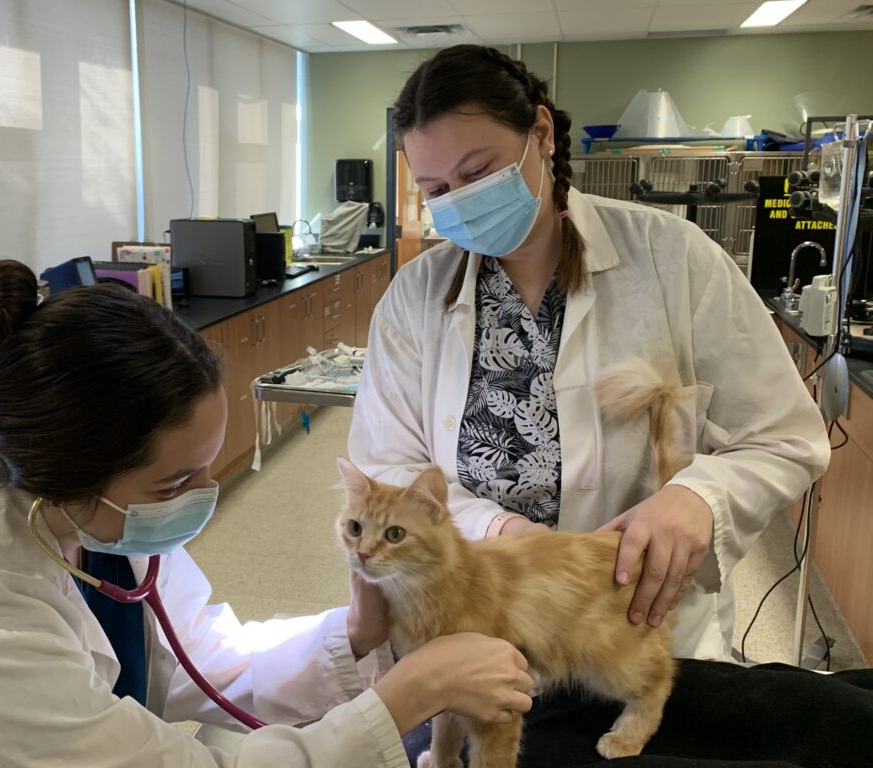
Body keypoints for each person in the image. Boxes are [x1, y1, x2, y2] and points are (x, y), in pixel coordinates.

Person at [0, 259, 534, 767]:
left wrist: (355, 633)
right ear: (81, 473)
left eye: (208, 465)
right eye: (179, 479)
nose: (205, 493)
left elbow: (204, 659)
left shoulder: (87, 511)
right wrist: (408, 697)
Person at [349, 44, 831, 662]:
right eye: (437, 188)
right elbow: (387, 463)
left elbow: (785, 438)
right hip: (474, 625)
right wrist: (503, 532)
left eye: (477, 174)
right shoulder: (413, 299)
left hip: (636, 629)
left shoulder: (676, 260)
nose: (460, 201)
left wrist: (698, 499)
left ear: (541, 133)